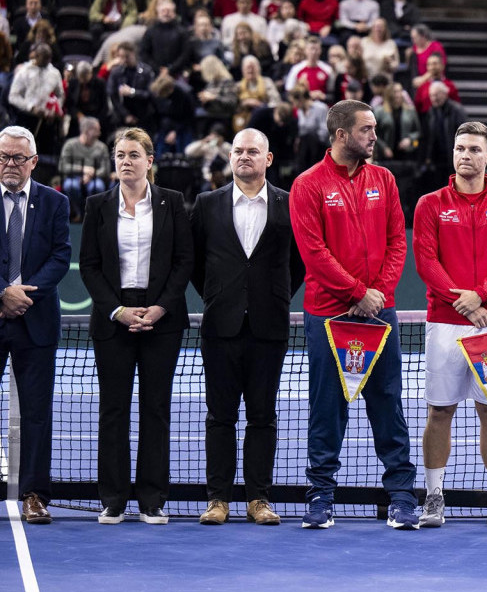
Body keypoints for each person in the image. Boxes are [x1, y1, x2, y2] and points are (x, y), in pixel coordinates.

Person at [289, 100, 418, 530]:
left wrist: (377, 294)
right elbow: (314, 253)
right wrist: (358, 293)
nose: (374, 136)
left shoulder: (385, 178)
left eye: (375, 128)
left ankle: (401, 496)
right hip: (328, 316)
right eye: (366, 129)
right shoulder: (308, 185)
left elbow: (398, 241)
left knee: (388, 405)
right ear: (341, 134)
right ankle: (320, 496)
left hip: (379, 313)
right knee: (329, 408)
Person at [413, 121, 487, 529]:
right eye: (461, 148)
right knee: (439, 412)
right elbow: (426, 262)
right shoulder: (429, 204)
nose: (466, 155)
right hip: (445, 323)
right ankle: (433, 497)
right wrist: (466, 303)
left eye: (475, 150)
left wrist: (481, 295)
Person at [80, 129, 194, 525]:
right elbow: (90, 267)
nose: (125, 161)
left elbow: (184, 262)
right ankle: (112, 498)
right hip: (114, 321)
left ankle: (151, 499)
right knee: (113, 410)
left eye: (133, 154)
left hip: (162, 320)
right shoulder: (97, 205)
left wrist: (160, 308)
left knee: (156, 409)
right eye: (120, 155)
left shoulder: (173, 203)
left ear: (150, 160)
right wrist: (118, 311)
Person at [189, 129, 302, 526]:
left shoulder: (292, 205)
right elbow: (196, 263)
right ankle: (217, 499)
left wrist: (272, 298)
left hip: (269, 327)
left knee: (262, 416)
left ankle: (259, 499)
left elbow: (298, 266)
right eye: (238, 151)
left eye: (253, 151)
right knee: (219, 417)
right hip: (220, 326)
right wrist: (222, 296)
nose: (244, 157)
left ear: (268, 159)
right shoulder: (205, 205)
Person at [0, 126, 71, 523]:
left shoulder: (56, 202)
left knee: (37, 413)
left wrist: (23, 296)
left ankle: (34, 495)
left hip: (36, 320)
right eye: (4, 157)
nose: (10, 164)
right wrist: (2, 294)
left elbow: (61, 256)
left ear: (33, 161)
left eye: (18, 158)